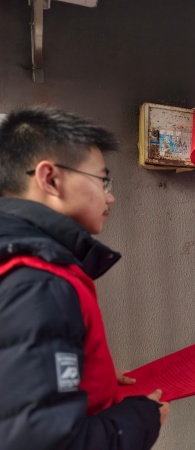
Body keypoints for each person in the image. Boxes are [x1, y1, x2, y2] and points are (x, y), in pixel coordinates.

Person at [0, 107, 170, 450]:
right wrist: (142, 416)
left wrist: (93, 374)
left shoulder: (21, 262)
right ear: (50, 179)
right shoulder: (39, 282)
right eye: (101, 179)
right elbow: (45, 441)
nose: (110, 195)